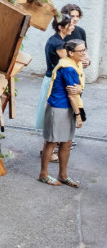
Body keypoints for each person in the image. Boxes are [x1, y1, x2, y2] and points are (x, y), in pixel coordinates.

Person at [38, 39, 86, 188]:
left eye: (85, 49)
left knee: (67, 142)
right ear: (71, 53)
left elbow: (77, 89)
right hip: (58, 108)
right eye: (81, 51)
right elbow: (72, 93)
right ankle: (44, 174)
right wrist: (78, 116)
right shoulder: (68, 68)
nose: (84, 53)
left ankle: (63, 175)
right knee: (52, 142)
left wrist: (80, 90)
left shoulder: (75, 64)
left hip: (68, 108)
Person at [34, 13, 75, 132]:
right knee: (56, 111)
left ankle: (53, 140)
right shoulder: (59, 44)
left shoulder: (54, 40)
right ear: (61, 28)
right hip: (55, 81)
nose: (72, 27)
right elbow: (68, 64)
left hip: (50, 78)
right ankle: (55, 142)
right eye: (70, 25)